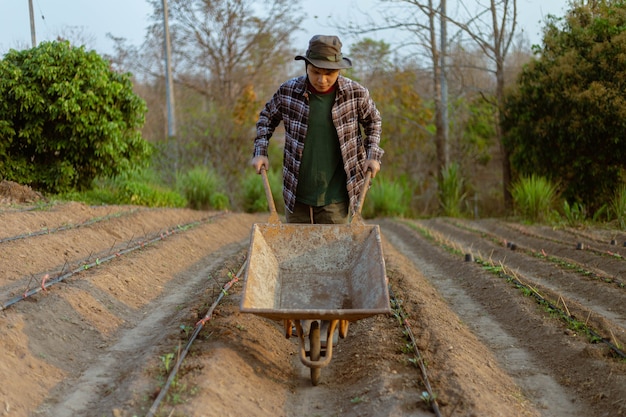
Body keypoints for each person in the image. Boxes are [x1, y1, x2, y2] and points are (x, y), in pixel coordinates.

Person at [251, 34, 383, 224]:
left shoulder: (356, 93)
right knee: (296, 250)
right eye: (315, 72)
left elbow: (373, 121)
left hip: (336, 197)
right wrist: (260, 152)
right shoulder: (289, 91)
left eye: (329, 74)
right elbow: (266, 118)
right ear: (307, 67)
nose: (322, 79)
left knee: (331, 251)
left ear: (339, 70)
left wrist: (372, 155)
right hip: (296, 193)